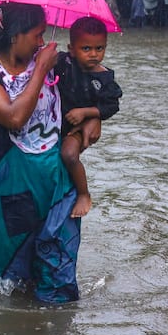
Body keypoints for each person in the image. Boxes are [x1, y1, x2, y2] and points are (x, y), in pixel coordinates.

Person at [0, 2, 99, 303]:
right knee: (8, 283)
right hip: (8, 186)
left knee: (59, 271)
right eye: (36, 35)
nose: (41, 42)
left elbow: (92, 89)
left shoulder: (51, 62)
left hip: (56, 181)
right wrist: (40, 71)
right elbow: (13, 117)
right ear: (14, 36)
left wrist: (94, 118)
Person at [54, 17, 122, 218]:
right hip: (56, 123)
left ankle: (83, 194)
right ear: (72, 49)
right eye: (86, 49)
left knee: (69, 154)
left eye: (100, 48)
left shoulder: (105, 77)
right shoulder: (63, 62)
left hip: (78, 128)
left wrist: (88, 113)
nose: (94, 54)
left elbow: (112, 106)